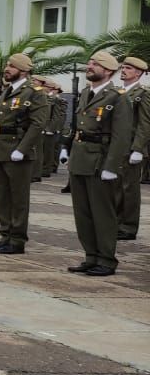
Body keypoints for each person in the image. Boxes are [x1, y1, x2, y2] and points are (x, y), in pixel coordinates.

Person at [67, 50, 134, 276]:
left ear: (108, 71)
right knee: (83, 213)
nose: (90, 66)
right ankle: (91, 256)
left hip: (100, 161)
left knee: (103, 214)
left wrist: (111, 167)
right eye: (90, 62)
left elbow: (121, 136)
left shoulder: (118, 96)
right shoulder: (86, 92)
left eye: (96, 64)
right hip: (80, 159)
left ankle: (106, 259)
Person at [0, 53, 43, 255]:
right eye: (7, 65)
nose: (6, 69)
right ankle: (5, 235)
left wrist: (22, 149)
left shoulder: (34, 92)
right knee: (3, 196)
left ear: (23, 70)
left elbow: (37, 124)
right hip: (0, 149)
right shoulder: (7, 90)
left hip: (17, 150)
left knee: (18, 198)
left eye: (11, 66)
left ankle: (17, 239)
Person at [114, 56, 148, 241]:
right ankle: (117, 222)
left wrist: (138, 148)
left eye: (128, 68)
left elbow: (145, 123)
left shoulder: (143, 93)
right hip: (117, 147)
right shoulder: (118, 92)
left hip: (131, 147)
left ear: (138, 73)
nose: (124, 71)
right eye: (123, 67)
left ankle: (128, 226)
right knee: (116, 187)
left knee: (129, 189)